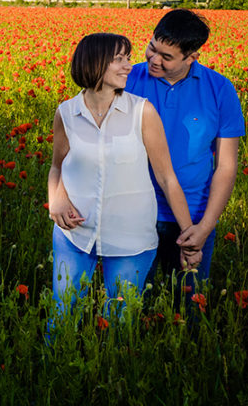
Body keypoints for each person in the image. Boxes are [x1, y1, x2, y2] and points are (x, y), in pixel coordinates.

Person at [48, 32, 198, 324]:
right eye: (119, 59)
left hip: (131, 238)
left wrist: (188, 237)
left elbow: (167, 178)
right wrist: (56, 200)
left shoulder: (141, 112)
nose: (129, 66)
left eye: (128, 58)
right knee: (62, 315)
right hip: (74, 234)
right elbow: (58, 165)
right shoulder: (67, 113)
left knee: (119, 323)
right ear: (95, 63)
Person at [125, 9, 245, 291]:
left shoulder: (220, 89)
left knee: (187, 307)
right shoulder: (127, 79)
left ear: (192, 57)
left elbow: (226, 166)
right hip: (135, 212)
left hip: (193, 217)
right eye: (152, 48)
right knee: (132, 304)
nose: (154, 60)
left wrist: (204, 227)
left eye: (167, 57)